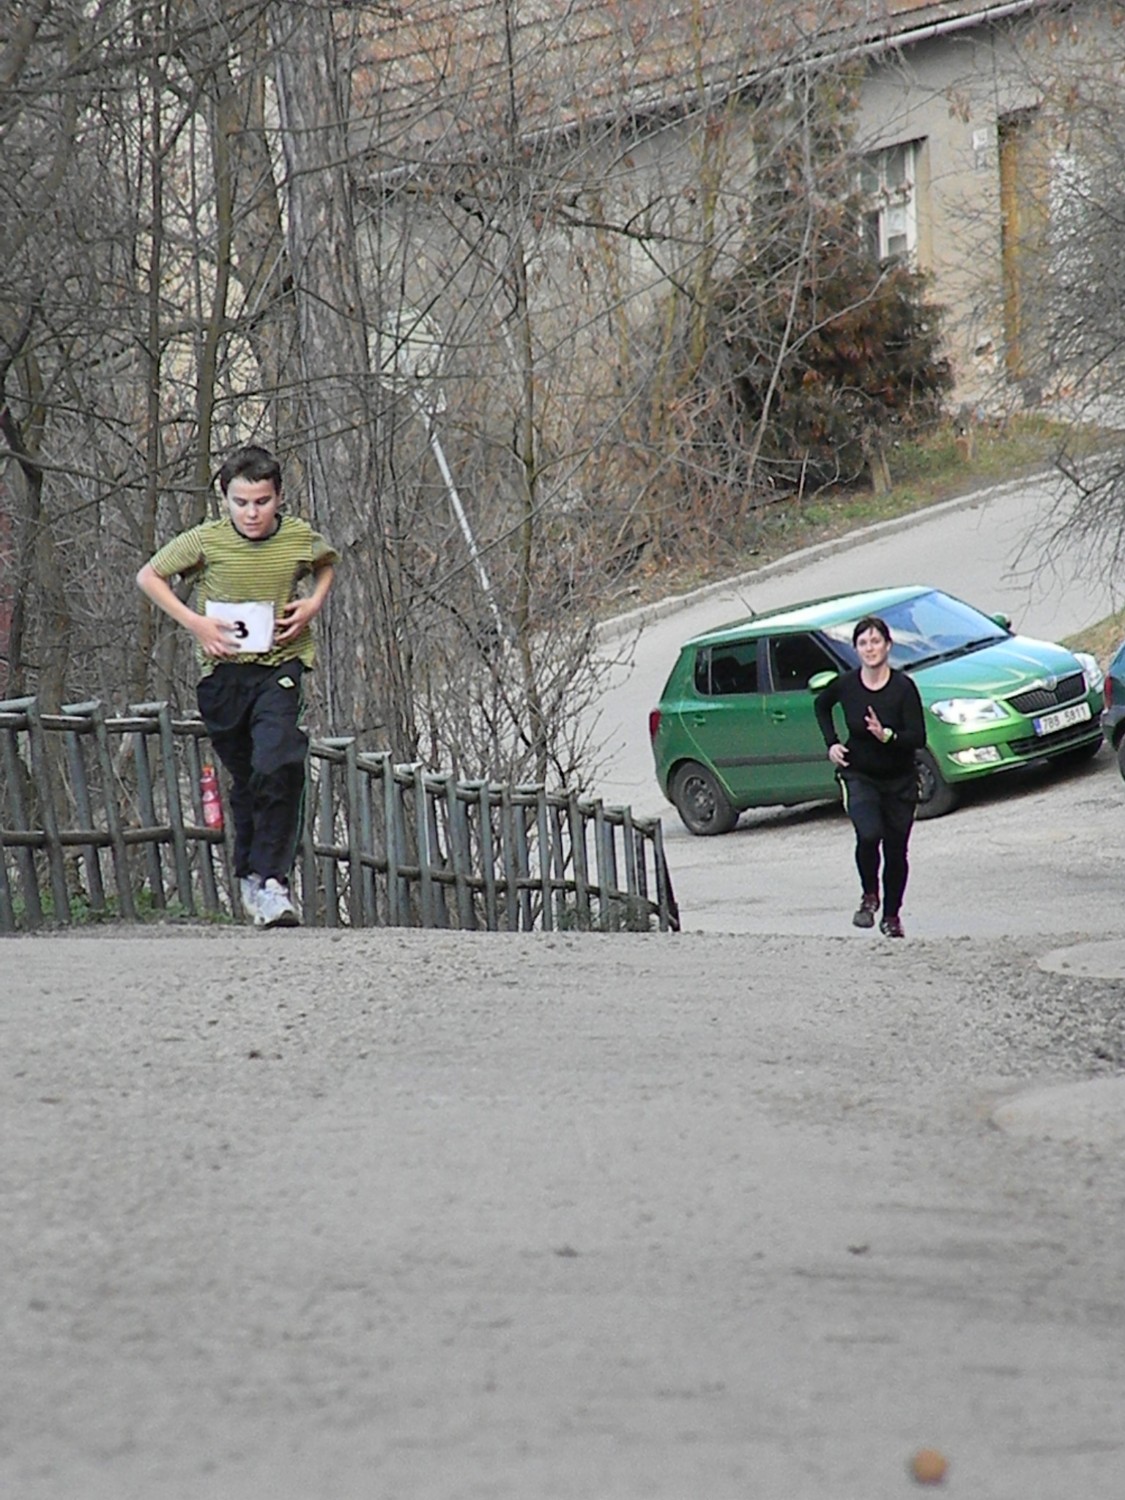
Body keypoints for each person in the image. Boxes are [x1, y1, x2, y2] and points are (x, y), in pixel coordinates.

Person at [136, 445, 339, 928]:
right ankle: (251, 876)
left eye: (262, 502)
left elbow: (327, 562)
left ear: (279, 497)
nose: (251, 513)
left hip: (280, 668)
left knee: (279, 761)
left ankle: (272, 882)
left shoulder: (297, 537)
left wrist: (313, 603)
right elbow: (149, 576)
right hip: (224, 678)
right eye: (241, 502)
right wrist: (196, 623)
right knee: (250, 779)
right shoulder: (206, 540)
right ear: (225, 499)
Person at [814, 615, 926, 938]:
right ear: (856, 649)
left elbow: (918, 737)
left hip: (900, 780)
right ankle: (869, 895)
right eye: (863, 643)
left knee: (896, 851)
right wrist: (832, 743)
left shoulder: (903, 688)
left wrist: (887, 735)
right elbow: (821, 705)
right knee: (868, 833)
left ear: (888, 646)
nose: (870, 648)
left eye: (876, 641)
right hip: (860, 774)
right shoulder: (847, 685)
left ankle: (891, 916)